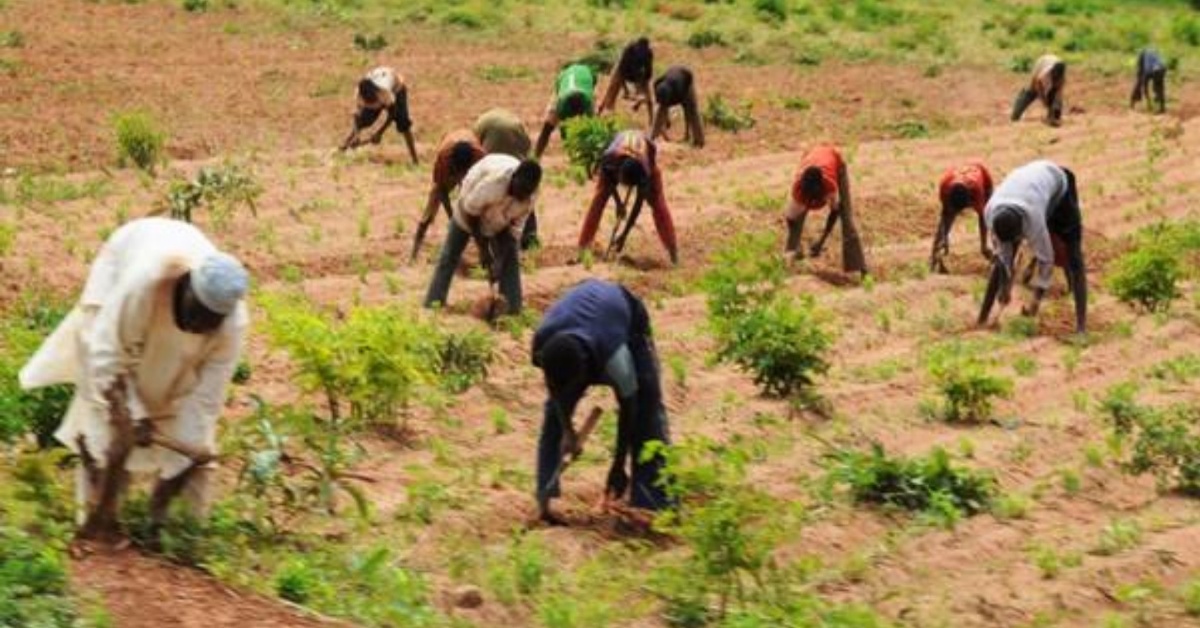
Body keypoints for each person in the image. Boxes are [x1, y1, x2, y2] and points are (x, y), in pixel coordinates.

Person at [19, 218, 249, 540]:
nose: (199, 324)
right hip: (121, 269)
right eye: (196, 312)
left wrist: (172, 481)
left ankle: (182, 537)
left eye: (210, 321)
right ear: (186, 287)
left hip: (161, 345)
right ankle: (96, 524)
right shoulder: (145, 283)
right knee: (105, 423)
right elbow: (107, 353)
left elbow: (203, 402)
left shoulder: (232, 327)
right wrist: (132, 414)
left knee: (195, 456)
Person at [531, 279, 671, 525]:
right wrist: (567, 430)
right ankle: (545, 500)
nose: (570, 391)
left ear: (586, 371)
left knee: (647, 407)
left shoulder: (616, 358)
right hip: (581, 319)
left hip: (627, 320)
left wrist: (618, 467)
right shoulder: (542, 346)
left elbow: (630, 407)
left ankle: (653, 501)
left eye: (574, 385)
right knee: (553, 413)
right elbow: (555, 392)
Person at [977, 159, 1087, 334]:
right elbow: (1003, 255)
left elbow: (1046, 260)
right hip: (1030, 185)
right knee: (999, 263)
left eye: (1016, 239)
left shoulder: (1033, 218)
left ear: (1023, 228)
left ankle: (1082, 328)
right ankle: (982, 319)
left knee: (1074, 256)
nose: (1013, 244)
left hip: (1058, 187)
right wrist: (1005, 286)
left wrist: (1035, 300)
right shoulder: (990, 212)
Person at [423, 155, 542, 315]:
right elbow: (470, 211)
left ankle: (511, 308)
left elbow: (514, 231)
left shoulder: (529, 197)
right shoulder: (493, 183)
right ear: (513, 178)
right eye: (519, 190)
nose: (521, 196)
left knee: (510, 257)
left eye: (525, 193)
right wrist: (484, 250)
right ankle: (433, 302)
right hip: (469, 209)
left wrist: (498, 262)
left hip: (500, 217)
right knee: (451, 252)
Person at [578, 130, 678, 264]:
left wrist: (624, 235)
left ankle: (673, 250)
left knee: (658, 202)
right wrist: (618, 202)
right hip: (616, 159)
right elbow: (607, 175)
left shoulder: (644, 170)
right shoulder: (610, 158)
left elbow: (638, 204)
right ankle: (583, 247)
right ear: (619, 172)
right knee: (599, 198)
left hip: (647, 160)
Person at [783, 144, 867, 275]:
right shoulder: (798, 189)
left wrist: (821, 241)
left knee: (847, 217)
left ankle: (861, 267)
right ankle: (792, 256)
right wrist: (796, 243)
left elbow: (835, 211)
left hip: (835, 161)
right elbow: (790, 218)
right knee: (796, 219)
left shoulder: (829, 185)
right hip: (812, 155)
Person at [411, 129, 486, 261]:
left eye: (464, 173)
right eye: (459, 174)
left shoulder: (480, 156)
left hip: (472, 167)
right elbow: (441, 190)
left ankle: (484, 250)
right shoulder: (444, 158)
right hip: (449, 157)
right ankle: (414, 253)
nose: (460, 179)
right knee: (430, 207)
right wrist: (452, 216)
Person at [474, 108, 539, 250]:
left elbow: (477, 155)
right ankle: (530, 234)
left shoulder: (480, 124)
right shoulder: (507, 121)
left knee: (496, 189)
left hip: (493, 138)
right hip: (516, 134)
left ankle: (490, 238)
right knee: (524, 187)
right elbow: (527, 146)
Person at [340, 66, 419, 163]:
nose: (371, 104)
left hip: (397, 88)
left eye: (372, 101)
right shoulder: (359, 94)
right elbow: (357, 116)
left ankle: (415, 160)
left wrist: (380, 133)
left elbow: (393, 114)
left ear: (375, 94)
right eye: (367, 101)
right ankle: (347, 144)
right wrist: (357, 134)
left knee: (403, 123)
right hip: (381, 84)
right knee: (363, 120)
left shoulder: (384, 92)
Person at [930, 162, 994, 273]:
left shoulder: (977, 190)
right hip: (957, 178)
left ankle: (995, 250)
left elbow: (983, 218)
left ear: (970, 199)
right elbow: (945, 216)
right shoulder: (944, 186)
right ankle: (933, 257)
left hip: (982, 174)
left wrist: (984, 246)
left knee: (990, 213)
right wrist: (943, 241)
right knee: (946, 218)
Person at [534, 63, 598, 159]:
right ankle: (535, 158)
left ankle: (589, 158)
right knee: (547, 127)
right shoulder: (561, 103)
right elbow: (563, 129)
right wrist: (570, 150)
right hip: (564, 93)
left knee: (589, 129)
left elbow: (590, 126)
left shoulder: (587, 100)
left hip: (582, 91)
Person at [598, 37, 654, 127]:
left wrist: (641, 90)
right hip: (623, 69)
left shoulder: (648, 53)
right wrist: (626, 90)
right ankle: (601, 111)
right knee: (610, 91)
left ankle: (652, 121)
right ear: (636, 47)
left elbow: (648, 72)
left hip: (638, 73)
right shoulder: (628, 50)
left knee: (650, 100)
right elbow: (622, 70)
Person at [650, 65, 704, 148]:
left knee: (692, 112)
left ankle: (699, 140)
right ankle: (652, 138)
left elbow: (685, 105)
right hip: (672, 76)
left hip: (686, 81)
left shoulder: (679, 91)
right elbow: (661, 109)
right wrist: (664, 120)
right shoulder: (657, 84)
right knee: (659, 111)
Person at [1012, 54, 1066, 126]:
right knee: (1032, 91)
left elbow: (1059, 93)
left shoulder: (1061, 77)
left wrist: (1054, 105)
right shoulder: (1044, 73)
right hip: (1041, 63)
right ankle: (1016, 113)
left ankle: (1054, 116)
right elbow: (1038, 85)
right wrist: (1044, 100)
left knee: (1054, 92)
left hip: (1054, 61)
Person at [1130, 48, 1167, 114]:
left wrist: (1148, 103)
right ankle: (1161, 107)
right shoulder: (1151, 53)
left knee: (1157, 88)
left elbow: (1145, 87)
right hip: (1162, 68)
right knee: (1159, 89)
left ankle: (1160, 107)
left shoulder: (1145, 65)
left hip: (1156, 70)